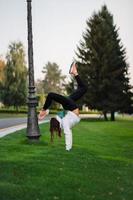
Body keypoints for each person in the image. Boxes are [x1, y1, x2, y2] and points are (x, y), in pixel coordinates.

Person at [38, 62, 87, 151]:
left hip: (70, 107)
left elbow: (58, 116)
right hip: (70, 106)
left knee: (83, 88)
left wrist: (44, 115)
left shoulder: (61, 120)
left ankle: (74, 72)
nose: (56, 117)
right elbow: (68, 134)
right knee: (51, 95)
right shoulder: (64, 123)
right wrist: (68, 148)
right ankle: (74, 72)